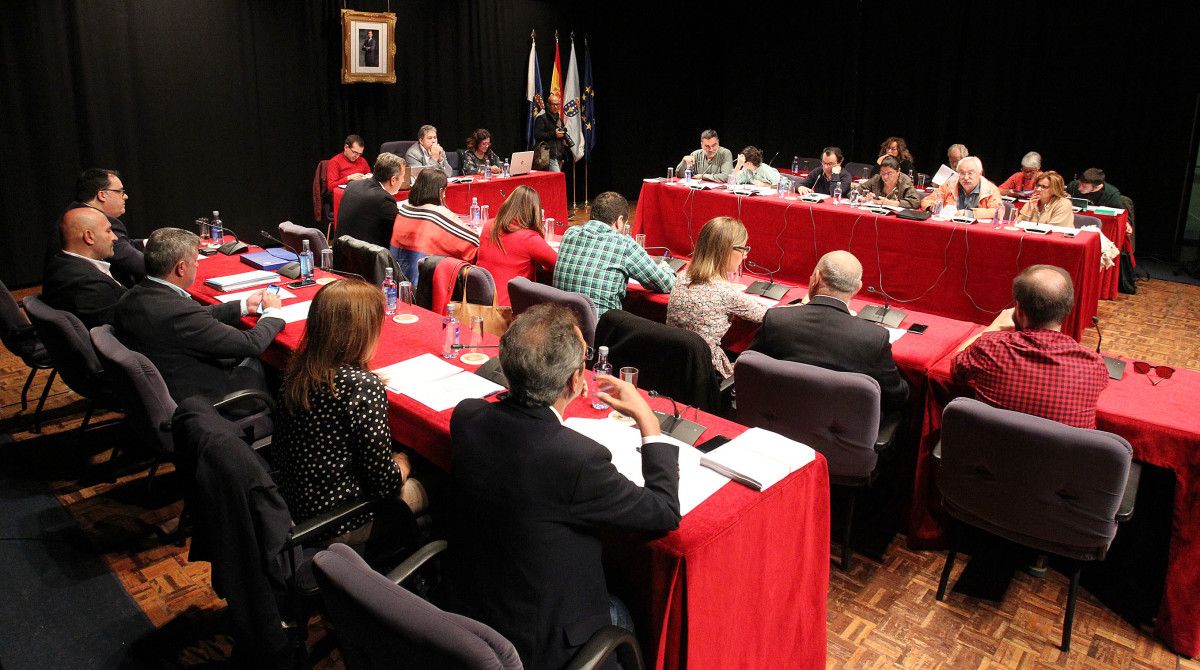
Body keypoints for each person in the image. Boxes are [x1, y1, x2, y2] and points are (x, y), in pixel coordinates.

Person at [445, 304, 681, 670]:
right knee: (630, 613)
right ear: (576, 380)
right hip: (544, 647)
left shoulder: (467, 416)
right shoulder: (577, 459)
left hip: (470, 613)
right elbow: (663, 512)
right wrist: (648, 420)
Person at [276, 279, 426, 549]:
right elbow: (385, 485)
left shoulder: (301, 368)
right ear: (361, 333)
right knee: (441, 483)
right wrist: (402, 462)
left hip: (296, 504)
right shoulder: (362, 387)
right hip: (343, 520)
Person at [113, 227, 284, 404]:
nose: (197, 264)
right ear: (180, 268)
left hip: (162, 386)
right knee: (270, 366)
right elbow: (252, 344)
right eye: (195, 259)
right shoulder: (178, 313)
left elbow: (197, 317)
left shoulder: (132, 296)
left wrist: (243, 306)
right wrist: (272, 313)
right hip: (207, 400)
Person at [748, 251, 909, 412]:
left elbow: (750, 369)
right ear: (857, 288)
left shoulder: (776, 319)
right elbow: (896, 397)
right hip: (843, 431)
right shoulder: (873, 338)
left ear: (816, 277)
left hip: (778, 419)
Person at [952, 264, 1107, 429]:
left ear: (1018, 309)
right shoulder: (1093, 364)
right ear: (1068, 309)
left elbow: (956, 366)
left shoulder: (988, 347)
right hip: (1056, 455)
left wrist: (994, 327)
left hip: (988, 452)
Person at [666, 217, 765, 378]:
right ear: (726, 250)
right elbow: (770, 316)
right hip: (707, 371)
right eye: (743, 248)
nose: (745, 255)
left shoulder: (682, 277)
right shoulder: (725, 292)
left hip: (673, 364)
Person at [552, 191, 675, 315]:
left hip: (562, 326)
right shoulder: (624, 243)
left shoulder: (570, 233)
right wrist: (666, 268)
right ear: (619, 220)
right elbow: (667, 284)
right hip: (601, 331)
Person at [47, 168, 145, 288]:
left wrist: (148, 242)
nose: (125, 196)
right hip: (93, 289)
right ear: (102, 195)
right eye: (120, 191)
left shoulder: (73, 212)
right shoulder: (96, 221)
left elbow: (122, 246)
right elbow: (137, 263)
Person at [42, 207, 126, 329]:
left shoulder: (59, 262)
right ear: (89, 237)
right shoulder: (92, 285)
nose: (115, 237)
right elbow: (124, 329)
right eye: (108, 231)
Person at [390, 169, 479, 285]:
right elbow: (473, 242)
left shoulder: (404, 207)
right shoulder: (437, 213)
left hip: (396, 280)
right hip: (422, 284)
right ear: (441, 191)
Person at [477, 185, 557, 306]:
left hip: (480, 301)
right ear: (534, 212)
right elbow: (557, 264)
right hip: (508, 309)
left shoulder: (489, 225)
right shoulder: (529, 238)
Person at [336, 152, 407, 250]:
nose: (403, 180)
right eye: (403, 176)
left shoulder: (352, 185)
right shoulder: (383, 200)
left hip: (340, 252)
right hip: (364, 258)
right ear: (393, 180)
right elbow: (403, 231)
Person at [920, 156, 1005, 213]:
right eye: (962, 173)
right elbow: (926, 200)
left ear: (980, 173)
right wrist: (931, 207)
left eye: (970, 173)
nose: (966, 177)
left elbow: (998, 210)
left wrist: (970, 213)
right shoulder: (949, 185)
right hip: (950, 226)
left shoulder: (990, 189)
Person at [533, 93, 571, 172]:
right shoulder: (541, 118)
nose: (555, 107)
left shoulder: (559, 120)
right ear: (548, 105)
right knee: (558, 182)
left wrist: (564, 140)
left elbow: (560, 139)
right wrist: (554, 134)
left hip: (559, 156)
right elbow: (537, 135)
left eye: (557, 104)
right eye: (553, 104)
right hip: (548, 156)